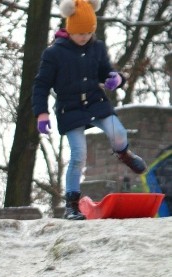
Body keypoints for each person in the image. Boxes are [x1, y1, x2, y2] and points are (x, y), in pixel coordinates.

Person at [32, 0, 147, 221]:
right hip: (70, 109)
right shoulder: (54, 53)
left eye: (88, 32)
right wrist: (41, 112)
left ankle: (124, 154)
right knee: (78, 156)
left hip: (96, 102)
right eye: (79, 33)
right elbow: (41, 85)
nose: (84, 37)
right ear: (69, 29)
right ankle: (72, 206)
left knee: (119, 133)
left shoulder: (97, 48)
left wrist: (117, 79)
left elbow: (106, 72)